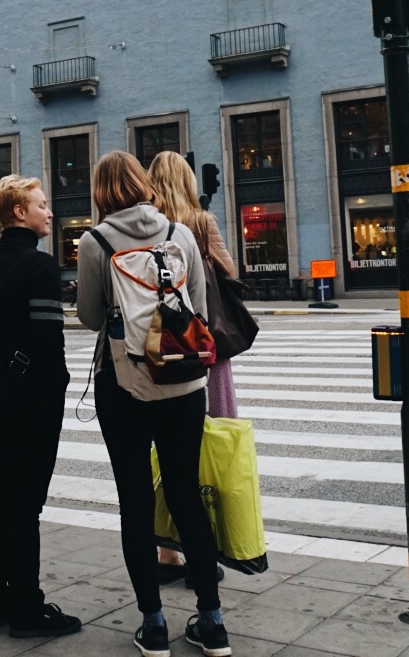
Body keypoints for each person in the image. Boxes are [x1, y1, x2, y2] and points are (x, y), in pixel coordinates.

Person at [77, 152, 232, 657]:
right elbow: (202, 310)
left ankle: (154, 623)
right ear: (143, 183)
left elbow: (88, 315)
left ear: (101, 192)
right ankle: (211, 621)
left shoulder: (95, 240)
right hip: (184, 383)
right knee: (186, 495)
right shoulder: (180, 233)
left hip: (123, 384)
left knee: (135, 501)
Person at [0, 176, 80, 639]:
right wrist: (58, 390)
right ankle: (28, 610)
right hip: (28, 404)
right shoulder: (39, 266)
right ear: (19, 213)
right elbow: (50, 343)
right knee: (24, 507)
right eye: (42, 205)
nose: (49, 212)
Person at [147, 150, 237, 586]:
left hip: (158, 351)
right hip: (204, 349)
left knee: (165, 451)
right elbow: (228, 270)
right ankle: (207, 549)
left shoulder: (146, 225)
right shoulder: (200, 222)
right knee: (207, 446)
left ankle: (167, 552)